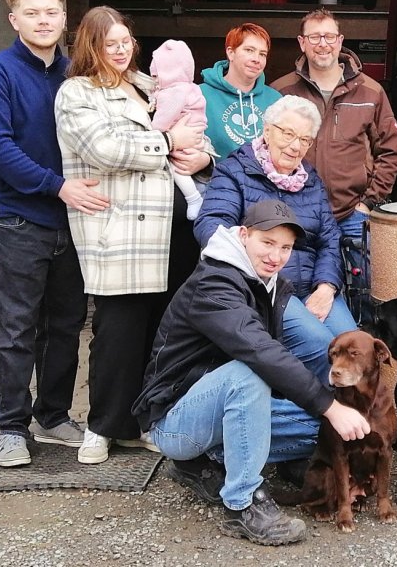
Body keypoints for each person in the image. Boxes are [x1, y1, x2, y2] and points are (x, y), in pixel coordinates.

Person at [133, 199, 370, 546]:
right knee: (250, 375)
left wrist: (332, 407)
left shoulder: (269, 284)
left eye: (286, 247)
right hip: (176, 419)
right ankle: (242, 504)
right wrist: (330, 406)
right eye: (267, 242)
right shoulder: (215, 284)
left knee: (325, 431)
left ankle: (209, 463)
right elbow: (261, 352)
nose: (276, 256)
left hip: (222, 406)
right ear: (244, 235)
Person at [55, 6, 212, 465]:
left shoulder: (149, 85)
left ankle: (143, 421)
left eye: (126, 42)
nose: (121, 50)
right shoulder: (77, 93)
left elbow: (197, 135)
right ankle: (103, 426)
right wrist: (169, 142)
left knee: (162, 333)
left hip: (174, 231)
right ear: (92, 46)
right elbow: (105, 150)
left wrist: (204, 157)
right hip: (122, 230)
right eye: (111, 44)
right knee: (117, 332)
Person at [0, 0, 100, 467]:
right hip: (17, 220)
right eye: (32, 13)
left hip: (74, 221)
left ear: (64, 19)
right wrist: (57, 185)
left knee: (65, 326)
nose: (43, 21)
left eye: (50, 12)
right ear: (14, 21)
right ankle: (11, 427)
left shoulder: (76, 74)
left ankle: (53, 415)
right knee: (15, 329)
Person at [195, 95, 356, 385]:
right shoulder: (235, 171)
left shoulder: (311, 181)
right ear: (267, 131)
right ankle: (319, 411)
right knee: (321, 347)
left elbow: (329, 239)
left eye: (305, 140)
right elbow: (211, 226)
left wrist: (326, 287)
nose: (295, 146)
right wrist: (257, 271)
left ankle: (347, 410)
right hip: (263, 289)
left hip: (312, 286)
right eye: (288, 133)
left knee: (353, 346)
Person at [271, 8, 397, 324]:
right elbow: (266, 149)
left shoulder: (370, 91)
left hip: (351, 215)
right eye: (315, 37)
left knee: (364, 296)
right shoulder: (281, 91)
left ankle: (364, 350)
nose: (323, 44)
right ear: (302, 42)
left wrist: (368, 202)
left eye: (329, 36)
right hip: (297, 215)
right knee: (294, 293)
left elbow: (391, 150)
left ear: (340, 40)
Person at [201, 23, 282, 157]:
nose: (256, 59)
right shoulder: (200, 95)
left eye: (262, 54)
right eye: (249, 50)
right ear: (231, 53)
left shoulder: (276, 100)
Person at [150, 39, 209, 220]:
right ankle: (199, 194)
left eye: (156, 75)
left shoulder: (174, 92)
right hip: (195, 134)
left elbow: (165, 117)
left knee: (176, 167)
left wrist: (152, 133)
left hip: (184, 138)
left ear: (169, 73)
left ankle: (193, 198)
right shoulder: (191, 88)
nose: (154, 80)